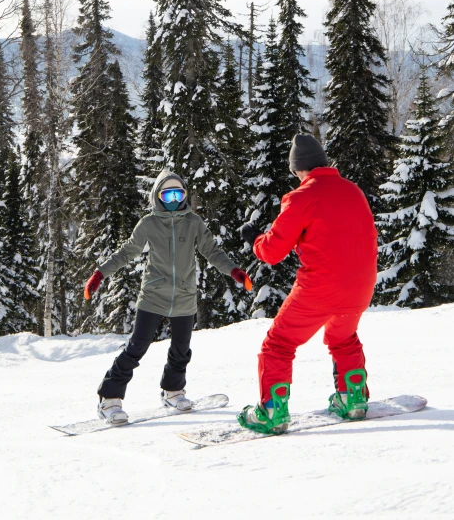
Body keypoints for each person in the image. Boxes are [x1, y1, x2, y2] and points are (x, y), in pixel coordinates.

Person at [84, 169, 252, 424]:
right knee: (136, 348)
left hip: (185, 295)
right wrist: (99, 273)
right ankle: (109, 398)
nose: (173, 199)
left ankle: (173, 391)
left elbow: (212, 251)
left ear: (184, 195)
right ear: (157, 197)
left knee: (181, 350)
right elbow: (126, 252)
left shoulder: (193, 222)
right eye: (167, 194)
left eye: (178, 193)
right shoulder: (149, 223)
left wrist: (234, 271)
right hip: (153, 294)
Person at [238, 134, 378, 435]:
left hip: (321, 287)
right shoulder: (353, 191)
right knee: (343, 338)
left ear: (298, 168)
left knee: (278, 344)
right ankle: (352, 399)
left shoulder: (301, 197)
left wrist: (254, 241)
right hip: (362, 286)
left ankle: (272, 412)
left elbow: (272, 252)